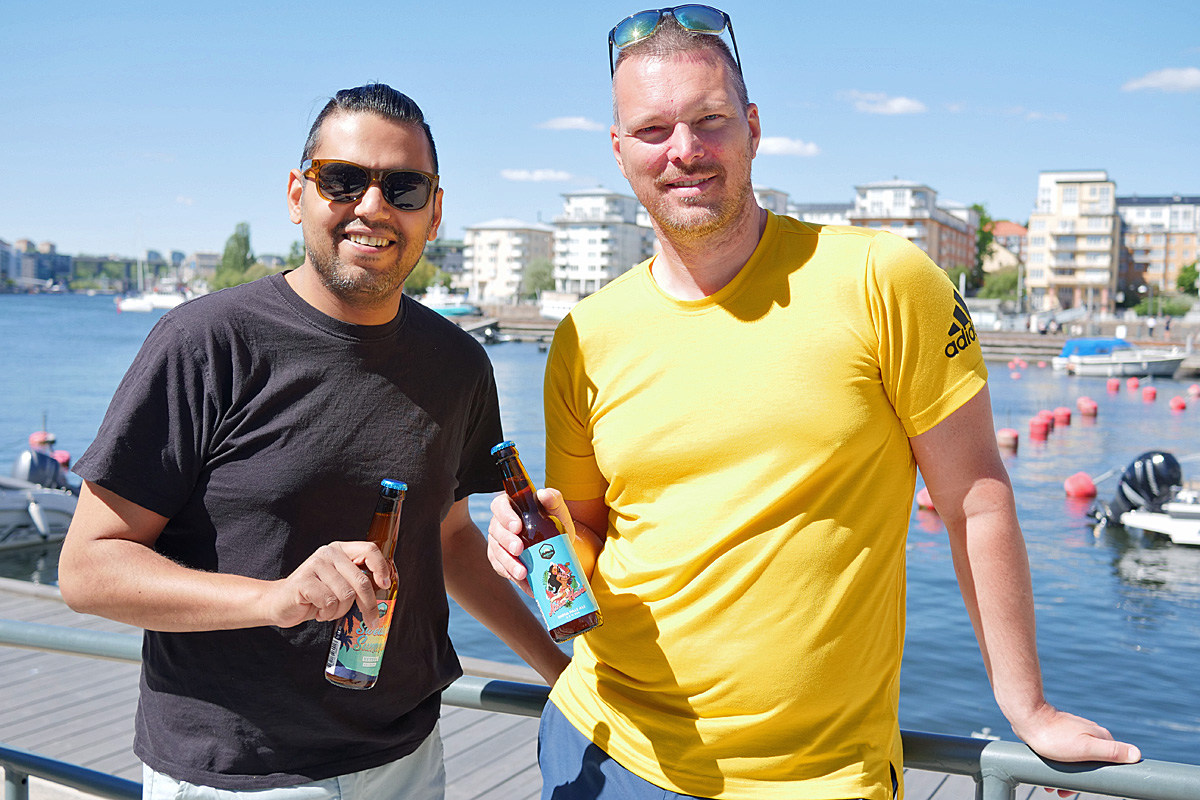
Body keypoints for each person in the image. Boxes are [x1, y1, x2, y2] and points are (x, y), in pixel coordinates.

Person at [487, 9, 1140, 800]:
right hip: (606, 747)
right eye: (653, 130)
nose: (684, 150)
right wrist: (535, 543)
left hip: (819, 775)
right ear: (620, 151)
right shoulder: (585, 335)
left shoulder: (882, 280)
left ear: (753, 129)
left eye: (710, 120)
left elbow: (974, 497)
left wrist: (1026, 706)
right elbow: (584, 537)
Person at [59, 83, 568, 800]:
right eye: (343, 180)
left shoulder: (458, 363)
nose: (373, 207)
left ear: (435, 211)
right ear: (298, 194)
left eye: (404, 187)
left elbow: (450, 538)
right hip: (239, 773)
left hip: (408, 758)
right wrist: (276, 599)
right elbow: (87, 569)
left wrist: (564, 675)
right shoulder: (205, 342)